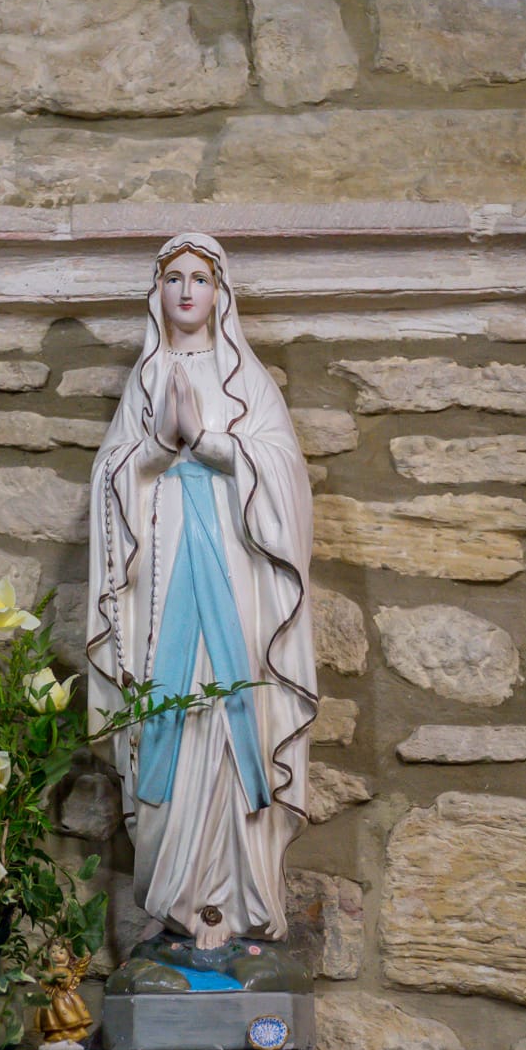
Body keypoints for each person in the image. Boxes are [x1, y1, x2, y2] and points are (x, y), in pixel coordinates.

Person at [87, 233, 317, 951]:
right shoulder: (146, 377)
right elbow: (110, 483)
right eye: (172, 279)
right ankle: (173, 902)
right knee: (166, 719)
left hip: (236, 581)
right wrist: (158, 448)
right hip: (162, 587)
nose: (186, 292)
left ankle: (244, 904)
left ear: (222, 293)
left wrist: (213, 446)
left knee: (235, 711)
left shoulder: (245, 378)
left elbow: (284, 476)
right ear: (155, 294)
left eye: (200, 279)